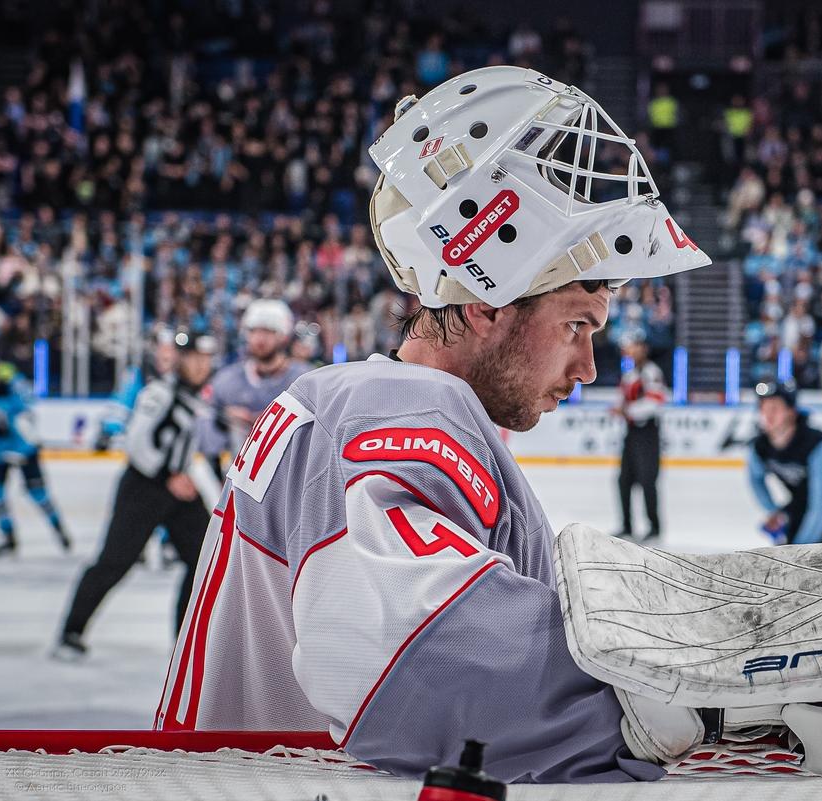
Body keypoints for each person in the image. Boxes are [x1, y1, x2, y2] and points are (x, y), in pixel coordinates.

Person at [156, 67, 714, 782]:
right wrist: (700, 694)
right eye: (577, 324)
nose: (588, 368)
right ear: (486, 305)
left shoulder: (350, 399)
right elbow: (409, 655)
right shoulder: (399, 406)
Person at [56, 332, 217, 659]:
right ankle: (71, 632)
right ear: (180, 360)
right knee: (115, 561)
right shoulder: (159, 393)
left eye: (205, 359)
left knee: (206, 560)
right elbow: (136, 441)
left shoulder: (197, 397)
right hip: (144, 487)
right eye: (193, 358)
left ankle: (185, 644)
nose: (200, 366)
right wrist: (167, 475)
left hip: (178, 486)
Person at [199, 299, 312, 479]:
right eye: (254, 331)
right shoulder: (226, 379)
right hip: (236, 476)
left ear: (283, 335)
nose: (259, 338)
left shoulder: (305, 379)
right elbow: (204, 425)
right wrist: (223, 420)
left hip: (288, 477)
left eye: (268, 331)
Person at [747, 381, 822, 545]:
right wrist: (773, 511)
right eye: (763, 408)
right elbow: (755, 478)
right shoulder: (761, 446)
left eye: (774, 408)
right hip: (802, 509)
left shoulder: (819, 446)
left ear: (791, 412)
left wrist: (800, 550)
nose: (767, 415)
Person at [0, 344, 71, 557]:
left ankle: (59, 530)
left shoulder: (10, 379)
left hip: (23, 449)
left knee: (38, 494)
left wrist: (15, 423)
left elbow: (28, 404)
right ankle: (9, 537)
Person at [613, 334, 666, 542]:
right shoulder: (630, 375)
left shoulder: (651, 373)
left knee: (647, 480)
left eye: (634, 347)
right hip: (632, 433)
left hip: (647, 434)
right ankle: (627, 525)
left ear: (643, 348)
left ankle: (654, 527)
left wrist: (628, 412)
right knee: (624, 480)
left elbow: (655, 402)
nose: (630, 351)